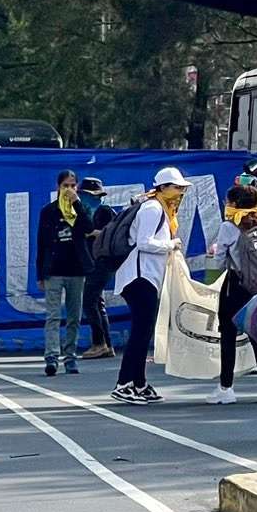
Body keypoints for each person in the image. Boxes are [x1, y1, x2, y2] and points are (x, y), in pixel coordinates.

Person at [111, 168, 185, 405]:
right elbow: (144, 243)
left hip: (146, 277)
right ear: (163, 188)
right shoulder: (153, 208)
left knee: (143, 332)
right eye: (176, 187)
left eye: (181, 188)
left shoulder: (160, 208)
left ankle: (139, 383)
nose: (180, 192)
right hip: (139, 277)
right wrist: (171, 244)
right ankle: (124, 383)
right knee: (140, 332)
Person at [208, 177, 257, 405]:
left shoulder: (229, 226)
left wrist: (217, 252)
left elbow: (219, 262)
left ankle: (226, 388)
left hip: (235, 285)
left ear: (235, 203)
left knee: (228, 334)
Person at [36, 171, 92, 378]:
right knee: (53, 316)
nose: (69, 189)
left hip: (76, 270)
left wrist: (76, 203)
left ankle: (70, 357)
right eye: (65, 186)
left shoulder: (81, 208)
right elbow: (41, 243)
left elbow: (88, 227)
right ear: (58, 188)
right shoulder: (48, 211)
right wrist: (40, 273)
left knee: (74, 317)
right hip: (54, 271)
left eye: (72, 185)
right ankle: (51, 357)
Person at [78, 177, 117, 359]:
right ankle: (107, 345)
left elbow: (114, 235)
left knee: (89, 301)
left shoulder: (105, 211)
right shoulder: (84, 213)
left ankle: (99, 343)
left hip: (103, 262)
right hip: (92, 262)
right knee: (97, 303)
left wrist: (94, 233)